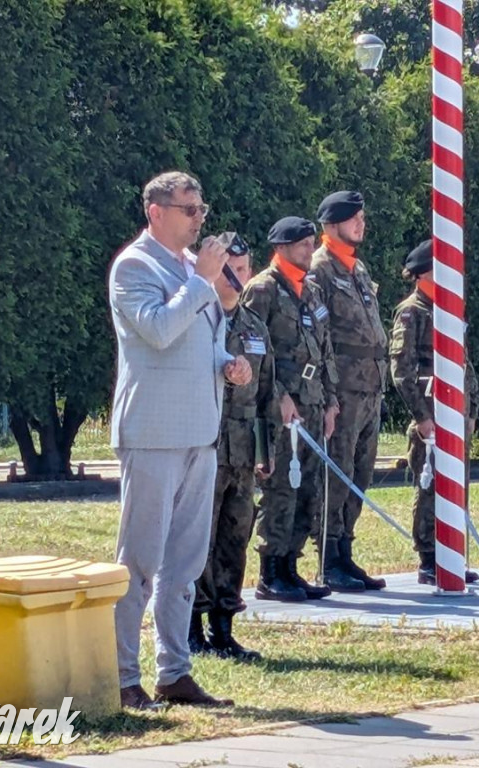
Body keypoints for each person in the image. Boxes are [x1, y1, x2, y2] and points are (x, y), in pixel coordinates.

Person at [109, 171, 252, 710]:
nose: (198, 219)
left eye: (201, 209)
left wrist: (227, 364)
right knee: (139, 563)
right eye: (188, 209)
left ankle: (175, 672)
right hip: (152, 433)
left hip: (199, 433)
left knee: (185, 565)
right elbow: (158, 330)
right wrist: (202, 282)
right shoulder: (135, 266)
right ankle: (125, 676)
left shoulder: (196, 270)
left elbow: (201, 341)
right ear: (156, 212)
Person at [191, 239, 282, 660]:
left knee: (234, 539)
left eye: (245, 268)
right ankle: (192, 627)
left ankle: (224, 628)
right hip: (202, 449)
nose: (239, 277)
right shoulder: (196, 319)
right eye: (232, 268)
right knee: (197, 542)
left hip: (243, 456)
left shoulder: (254, 328)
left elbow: (267, 395)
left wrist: (268, 452)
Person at [242, 216, 338, 602]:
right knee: (280, 486)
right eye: (301, 245)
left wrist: (331, 400)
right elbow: (252, 347)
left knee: (308, 488)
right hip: (280, 408)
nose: (309, 250)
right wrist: (278, 394)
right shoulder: (262, 289)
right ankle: (271, 571)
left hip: (313, 401)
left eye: (311, 243)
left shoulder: (310, 291)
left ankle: (291, 565)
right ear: (280, 248)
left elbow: (325, 348)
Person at [389, 239, 479, 585]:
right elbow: (402, 370)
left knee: (457, 486)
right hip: (431, 416)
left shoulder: (448, 311)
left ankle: (451, 553)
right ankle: (429, 556)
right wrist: (422, 417)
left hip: (456, 417)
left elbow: (463, 365)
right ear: (426, 273)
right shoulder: (412, 312)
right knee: (431, 489)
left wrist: (472, 409)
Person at [309, 192, 387, 592]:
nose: (360, 223)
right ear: (331, 223)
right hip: (343, 389)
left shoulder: (357, 269)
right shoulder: (319, 269)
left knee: (359, 475)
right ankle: (328, 557)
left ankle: (345, 551)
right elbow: (318, 336)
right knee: (335, 476)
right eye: (352, 218)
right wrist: (327, 394)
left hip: (369, 388)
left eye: (361, 216)